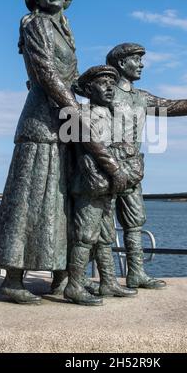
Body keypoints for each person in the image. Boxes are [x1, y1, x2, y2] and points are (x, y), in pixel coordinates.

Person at [0, 0, 127, 304]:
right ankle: (13, 278)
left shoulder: (64, 30)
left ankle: (61, 278)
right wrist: (76, 113)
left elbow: (73, 79)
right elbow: (47, 76)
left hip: (63, 122)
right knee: (31, 197)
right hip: (42, 120)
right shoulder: (34, 24)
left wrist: (106, 87)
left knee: (61, 199)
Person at [106, 43, 187, 290]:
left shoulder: (141, 97)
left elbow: (172, 106)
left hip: (133, 167)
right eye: (137, 59)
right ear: (122, 63)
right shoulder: (104, 93)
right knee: (100, 224)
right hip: (106, 166)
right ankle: (105, 279)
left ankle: (136, 273)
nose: (142, 64)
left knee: (134, 222)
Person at [64, 65, 139, 306]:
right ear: (88, 89)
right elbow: (92, 147)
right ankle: (74, 285)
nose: (109, 87)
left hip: (110, 186)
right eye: (102, 82)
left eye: (111, 82)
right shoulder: (81, 115)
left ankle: (108, 282)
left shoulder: (113, 116)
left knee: (106, 236)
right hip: (90, 184)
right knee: (85, 236)